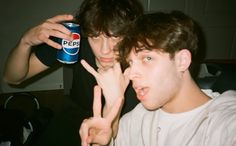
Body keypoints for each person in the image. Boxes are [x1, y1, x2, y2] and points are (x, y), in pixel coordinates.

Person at [79, 11, 236, 146]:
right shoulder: (136, 120)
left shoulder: (224, 121)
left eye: (147, 59)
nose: (132, 74)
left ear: (182, 61)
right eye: (131, 63)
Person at [3, 0, 143, 145]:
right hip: (76, 116)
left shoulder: (145, 63)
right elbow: (12, 78)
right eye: (95, 37)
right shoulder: (74, 42)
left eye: (116, 37)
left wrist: (114, 105)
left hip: (127, 125)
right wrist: (25, 42)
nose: (104, 50)